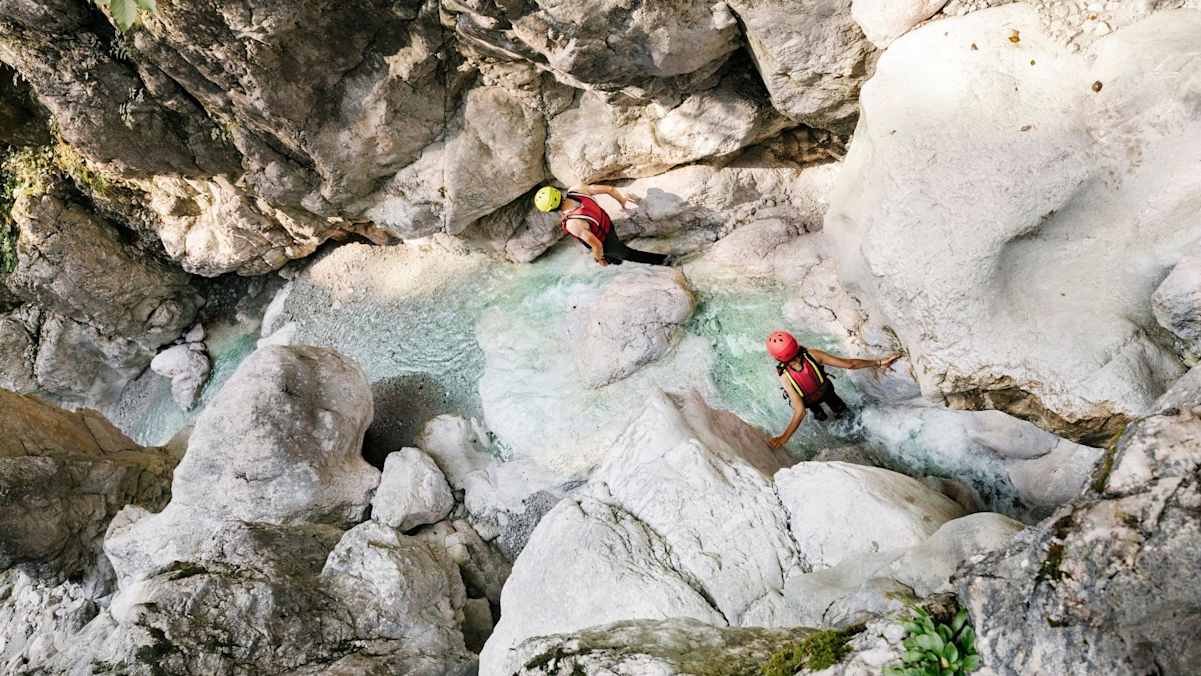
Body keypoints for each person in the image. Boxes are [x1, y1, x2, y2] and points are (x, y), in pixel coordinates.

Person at [765, 330, 900, 448]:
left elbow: (800, 412)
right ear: (795, 344)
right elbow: (850, 364)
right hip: (826, 391)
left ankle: (822, 417)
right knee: (842, 410)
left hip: (809, 402)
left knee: (820, 416)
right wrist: (879, 362)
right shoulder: (813, 355)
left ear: (777, 358)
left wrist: (784, 438)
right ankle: (858, 434)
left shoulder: (785, 377)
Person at [534, 185, 671, 267]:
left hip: (605, 243)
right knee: (615, 252)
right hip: (606, 224)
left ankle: (665, 260)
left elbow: (597, 246)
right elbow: (609, 189)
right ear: (557, 192)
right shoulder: (576, 190)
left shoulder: (573, 223)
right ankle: (615, 260)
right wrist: (621, 200)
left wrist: (599, 259)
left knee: (628, 254)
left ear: (550, 210)